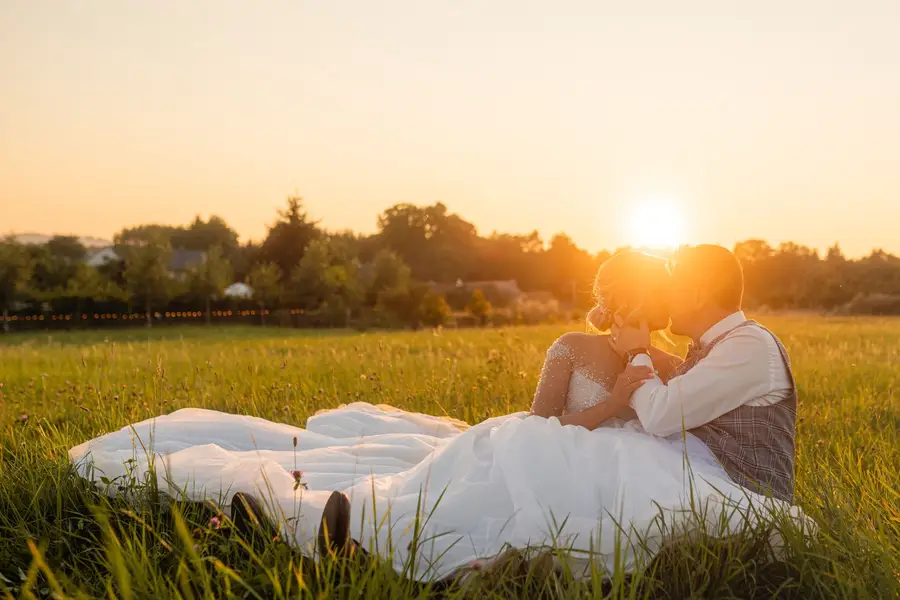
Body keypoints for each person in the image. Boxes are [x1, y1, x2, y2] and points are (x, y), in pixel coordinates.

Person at [68, 249, 807, 582]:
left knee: (577, 491)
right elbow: (562, 416)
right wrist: (627, 388)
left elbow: (664, 411)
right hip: (614, 444)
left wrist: (639, 369)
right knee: (508, 462)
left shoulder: (724, 350)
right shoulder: (632, 348)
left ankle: (432, 546)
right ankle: (338, 519)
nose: (662, 306)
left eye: (672, 290)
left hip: (664, 456)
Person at [610, 245, 797, 502]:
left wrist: (636, 351)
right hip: (705, 485)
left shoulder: (749, 344)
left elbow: (659, 416)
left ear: (698, 295)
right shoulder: (717, 346)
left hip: (745, 500)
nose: (666, 299)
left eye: (673, 289)